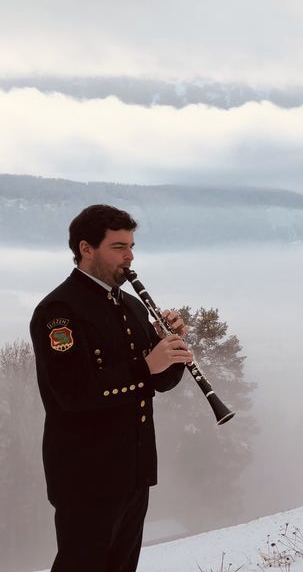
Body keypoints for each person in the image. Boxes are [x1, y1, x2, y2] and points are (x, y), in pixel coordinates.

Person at [30, 204, 192, 571]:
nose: (130, 256)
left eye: (132, 246)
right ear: (87, 248)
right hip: (86, 474)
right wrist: (145, 365)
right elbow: (72, 394)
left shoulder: (132, 306)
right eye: (119, 246)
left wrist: (173, 351)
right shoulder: (59, 310)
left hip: (133, 468)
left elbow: (158, 382)